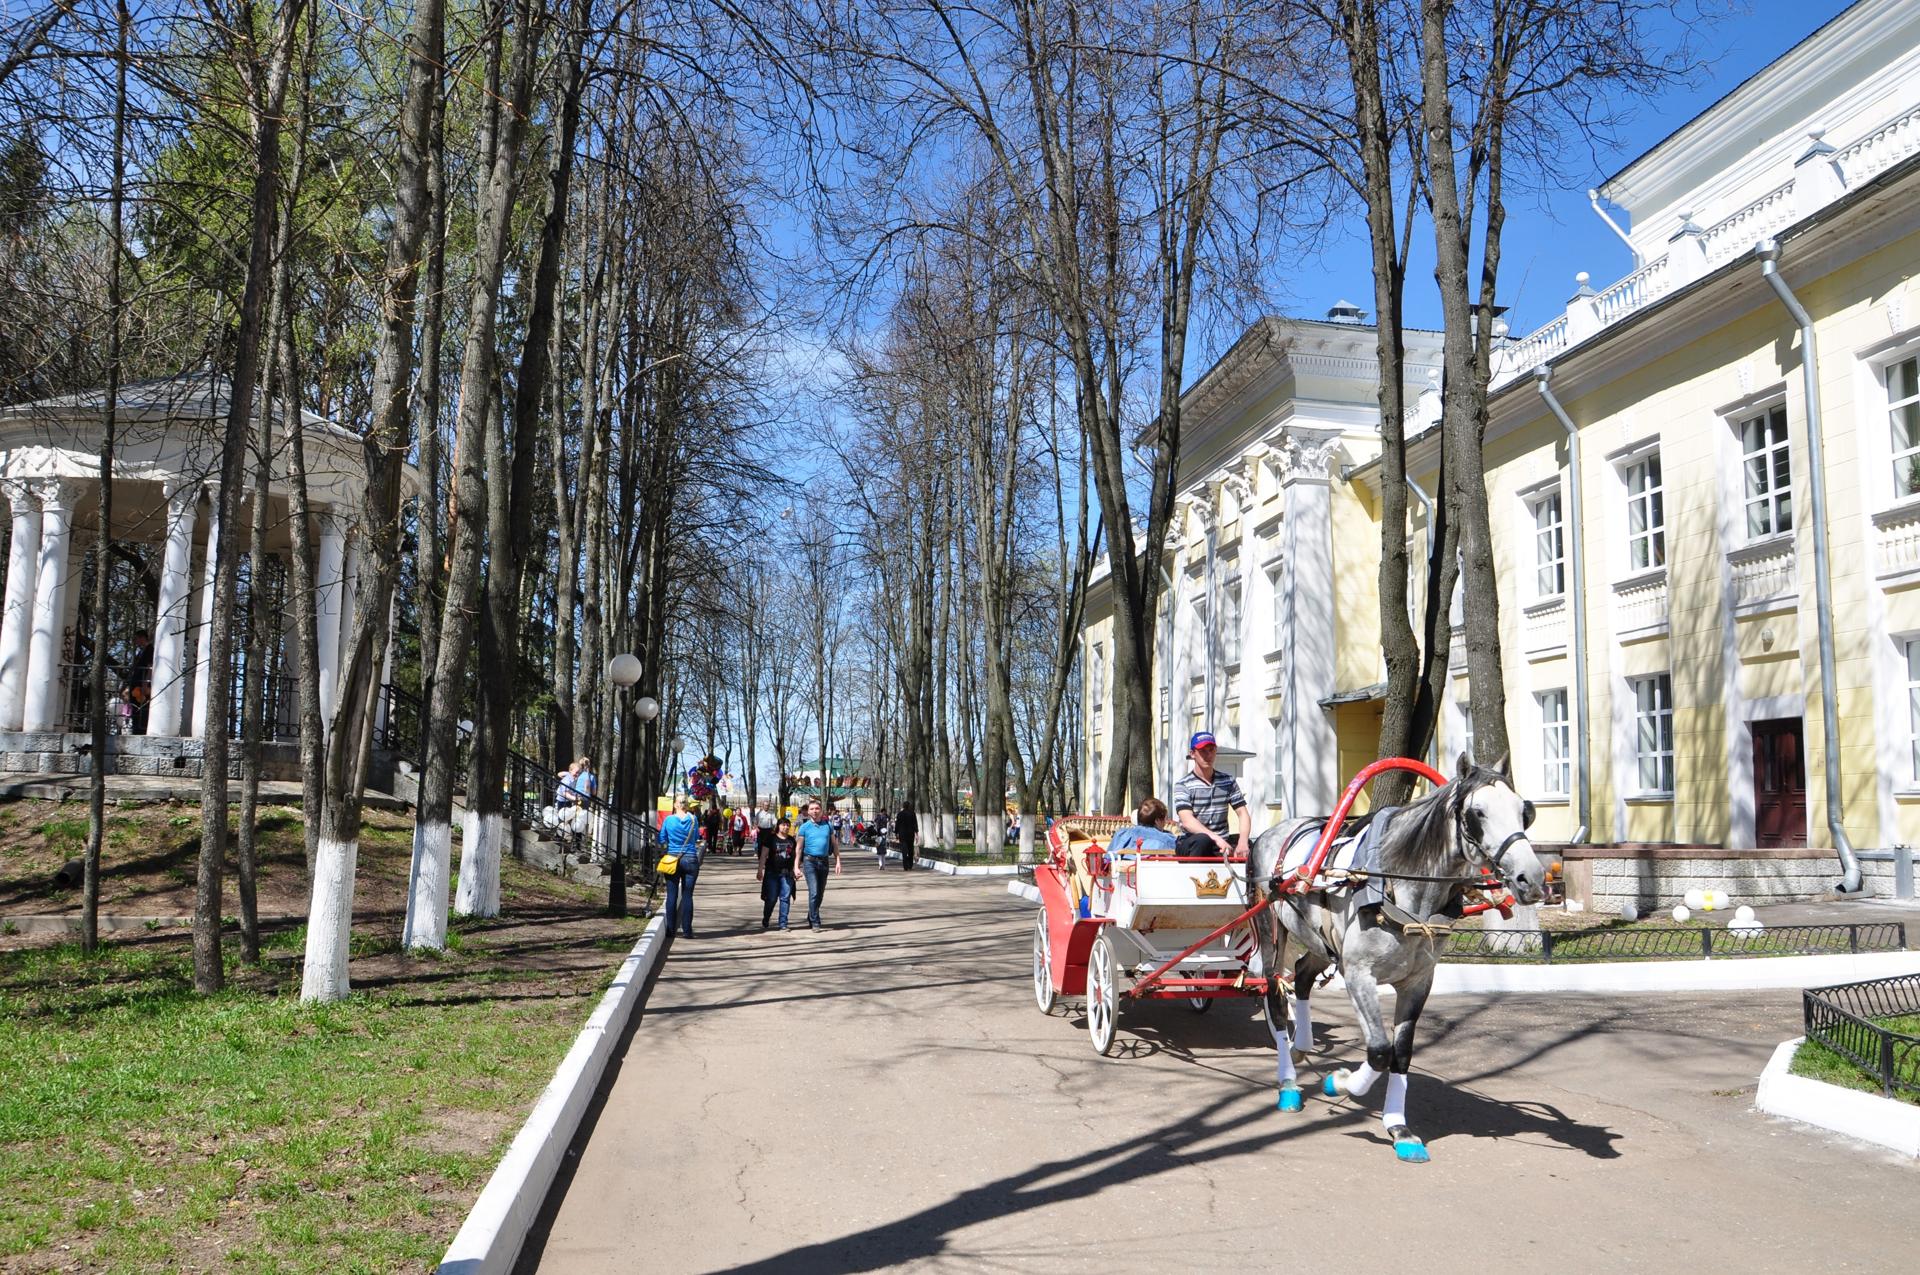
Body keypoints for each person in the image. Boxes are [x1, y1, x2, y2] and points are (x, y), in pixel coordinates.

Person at [1174, 731, 1252, 859]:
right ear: (1193, 754)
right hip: (1191, 842)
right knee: (1202, 840)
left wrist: (1243, 842)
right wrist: (1216, 838)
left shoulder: (1228, 781)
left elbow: (1243, 813)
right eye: (1203, 751)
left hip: (1221, 843)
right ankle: (1194, 878)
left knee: (1252, 847)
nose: (1208, 755)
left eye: (1211, 750)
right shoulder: (1183, 785)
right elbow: (1187, 821)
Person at [660, 797, 702, 938]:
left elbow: (662, 838)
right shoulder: (693, 819)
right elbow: (696, 837)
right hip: (690, 858)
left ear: (675, 805)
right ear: (687, 805)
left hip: (672, 858)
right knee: (687, 896)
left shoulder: (669, 820)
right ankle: (687, 931)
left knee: (671, 895)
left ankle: (670, 931)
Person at [796, 798, 841, 930]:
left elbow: (834, 844)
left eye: (817, 809)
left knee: (820, 894)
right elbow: (798, 848)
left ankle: (811, 913)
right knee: (814, 892)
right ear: (808, 812)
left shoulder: (828, 826)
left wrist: (838, 861)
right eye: (812, 809)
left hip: (824, 862)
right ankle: (815, 921)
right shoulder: (804, 827)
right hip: (809, 862)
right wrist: (796, 866)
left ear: (821, 811)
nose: (815, 811)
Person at [758, 817, 799, 930]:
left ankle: (783, 923)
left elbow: (796, 856)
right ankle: (766, 917)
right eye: (783, 825)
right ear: (778, 826)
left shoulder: (791, 840)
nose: (785, 827)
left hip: (787, 874)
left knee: (785, 898)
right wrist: (760, 870)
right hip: (772, 873)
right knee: (771, 898)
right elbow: (763, 855)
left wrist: (796, 869)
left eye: (787, 825)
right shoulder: (771, 839)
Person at [1109, 797, 1178, 855]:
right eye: (1165, 819)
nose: (1165, 823)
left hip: (1123, 869)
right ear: (1157, 821)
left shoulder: (1121, 834)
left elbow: (1107, 859)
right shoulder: (1167, 839)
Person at [120, 631, 153, 734]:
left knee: (141, 707)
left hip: (141, 685)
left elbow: (150, 666)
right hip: (135, 684)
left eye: (137, 639)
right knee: (135, 707)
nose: (135, 642)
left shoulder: (150, 650)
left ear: (143, 638)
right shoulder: (141, 651)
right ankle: (136, 729)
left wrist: (145, 683)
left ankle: (141, 730)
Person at [894, 801, 918, 873]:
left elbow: (897, 824)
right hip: (910, 834)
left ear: (903, 806)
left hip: (902, 834)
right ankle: (910, 865)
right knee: (911, 849)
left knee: (904, 850)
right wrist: (916, 833)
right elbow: (915, 823)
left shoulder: (900, 814)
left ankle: (905, 866)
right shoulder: (912, 813)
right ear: (909, 806)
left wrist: (896, 833)